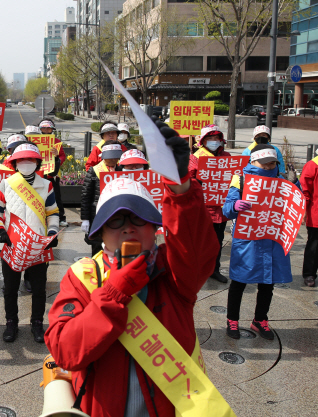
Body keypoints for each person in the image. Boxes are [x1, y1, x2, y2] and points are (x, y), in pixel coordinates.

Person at [45, 122, 220, 416]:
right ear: (101, 234)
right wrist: (116, 291)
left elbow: (198, 250)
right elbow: (65, 351)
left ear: (155, 229)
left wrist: (180, 187)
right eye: (116, 221)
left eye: (139, 218)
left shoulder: (173, 272)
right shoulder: (82, 277)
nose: (128, 229)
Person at [0, 142, 60, 343]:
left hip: (38, 245)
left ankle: (37, 322)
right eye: (21, 159)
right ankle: (11, 322)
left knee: (39, 289)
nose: (26, 162)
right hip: (12, 245)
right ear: (15, 163)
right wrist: (0, 230)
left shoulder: (46, 185)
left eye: (30, 159)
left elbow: (53, 213)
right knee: (10, 288)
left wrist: (52, 233)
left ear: (37, 162)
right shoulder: (6, 183)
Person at [223, 144, 290, 341]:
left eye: (272, 164)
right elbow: (226, 209)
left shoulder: (281, 181)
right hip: (248, 239)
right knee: (239, 281)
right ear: (253, 162)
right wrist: (235, 205)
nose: (269, 168)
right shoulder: (241, 180)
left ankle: (260, 319)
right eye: (265, 164)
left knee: (268, 282)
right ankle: (232, 320)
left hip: (272, 239)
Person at [187, 124, 231, 283]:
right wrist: (198, 182)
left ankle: (214, 270)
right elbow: (189, 180)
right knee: (201, 242)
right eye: (210, 138)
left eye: (216, 138)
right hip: (203, 208)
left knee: (217, 242)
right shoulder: (196, 157)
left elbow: (234, 175)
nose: (213, 141)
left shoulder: (227, 156)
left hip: (222, 208)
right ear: (203, 141)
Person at [80, 143, 129, 256]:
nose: (112, 160)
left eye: (115, 156)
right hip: (97, 214)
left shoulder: (122, 170)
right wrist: (85, 219)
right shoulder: (94, 171)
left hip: (117, 214)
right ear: (103, 156)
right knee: (97, 248)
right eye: (109, 157)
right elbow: (86, 196)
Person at [301, 149, 318, 287]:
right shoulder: (313, 165)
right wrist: (303, 211)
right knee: (314, 246)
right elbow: (304, 191)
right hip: (316, 214)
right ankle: (309, 274)